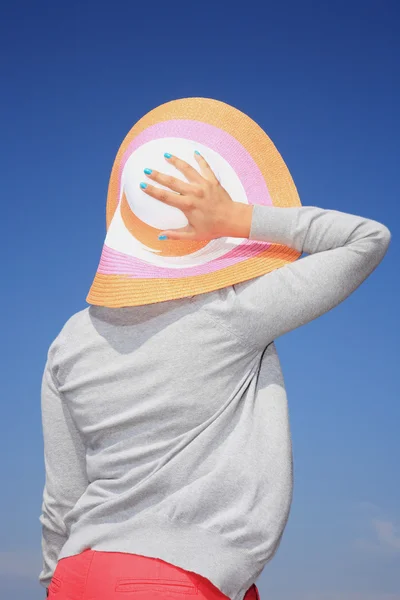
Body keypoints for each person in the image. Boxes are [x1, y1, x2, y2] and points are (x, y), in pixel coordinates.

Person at [39, 102, 391, 600]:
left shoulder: (70, 340)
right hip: (178, 579)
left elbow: (63, 495)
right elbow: (366, 240)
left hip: (76, 574)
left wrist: (56, 577)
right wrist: (237, 217)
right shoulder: (232, 314)